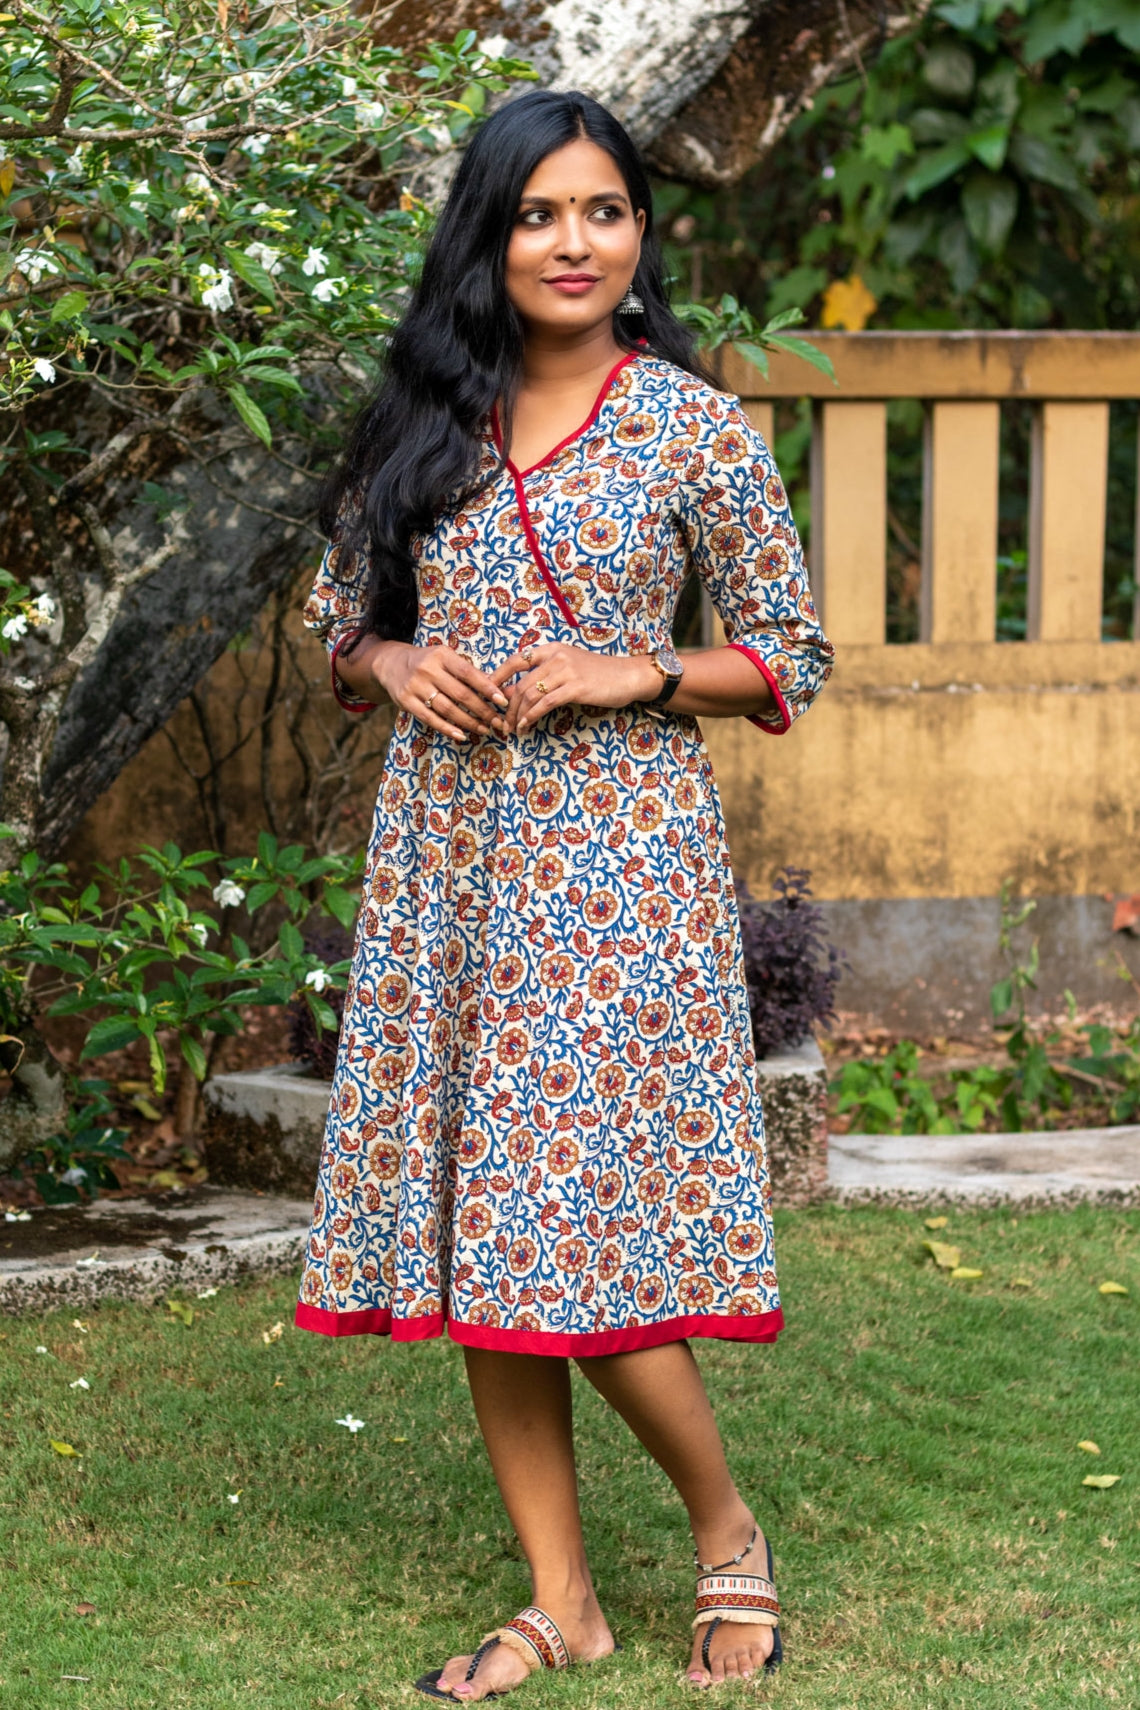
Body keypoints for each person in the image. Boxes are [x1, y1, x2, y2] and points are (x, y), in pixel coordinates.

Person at [294, 88, 833, 1698]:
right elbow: (336, 618)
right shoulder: (419, 420)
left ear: (641, 236)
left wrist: (629, 669)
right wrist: (391, 656)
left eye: (603, 210)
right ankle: (565, 1596)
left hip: (617, 878)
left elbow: (792, 653)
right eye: (539, 214)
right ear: (491, 233)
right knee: (486, 1237)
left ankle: (725, 1528)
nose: (573, 241)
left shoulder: (688, 425)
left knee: (577, 1245)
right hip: (449, 865)